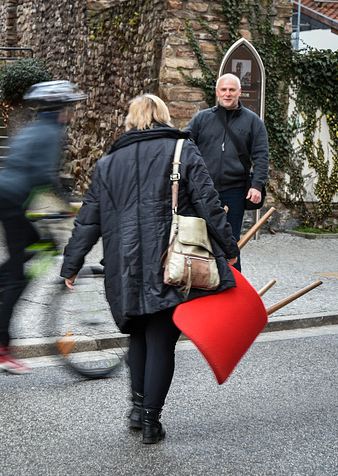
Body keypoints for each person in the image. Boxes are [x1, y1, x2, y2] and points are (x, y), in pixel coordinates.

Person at [60, 94, 239, 444]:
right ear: (164, 117)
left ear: (131, 120)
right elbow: (209, 203)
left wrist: (71, 264)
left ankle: (136, 409)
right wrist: (229, 249)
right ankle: (150, 421)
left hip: (123, 266)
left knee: (138, 334)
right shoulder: (182, 151)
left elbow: (87, 220)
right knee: (161, 339)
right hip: (167, 262)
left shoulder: (108, 163)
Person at [0, 80, 87, 374]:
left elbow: (25, 170)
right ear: (60, 110)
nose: (72, 113)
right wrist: (65, 205)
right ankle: (0, 347)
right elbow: (42, 175)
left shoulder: (31, 127)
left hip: (1, 197)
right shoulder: (52, 133)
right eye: (70, 107)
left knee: (37, 245)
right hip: (12, 202)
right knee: (17, 277)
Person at [185, 73, 269, 271]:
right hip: (202, 192)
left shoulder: (253, 122)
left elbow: (261, 155)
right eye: (223, 89)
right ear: (217, 92)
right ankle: (201, 283)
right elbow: (184, 146)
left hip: (235, 191)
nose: (228, 93)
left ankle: (232, 286)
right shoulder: (201, 119)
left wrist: (257, 185)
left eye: (232, 90)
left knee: (231, 242)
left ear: (240, 92)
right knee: (199, 239)